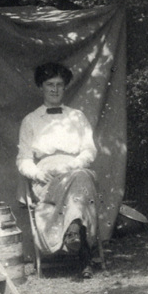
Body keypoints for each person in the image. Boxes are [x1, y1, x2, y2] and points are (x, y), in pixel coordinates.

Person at [17, 61, 105, 278]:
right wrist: (37, 173)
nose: (55, 89)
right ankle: (83, 255)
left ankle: (73, 231)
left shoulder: (77, 117)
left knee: (81, 177)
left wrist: (72, 165)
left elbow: (88, 150)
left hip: (74, 169)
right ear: (41, 87)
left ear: (65, 87)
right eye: (50, 84)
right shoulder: (30, 120)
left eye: (59, 84)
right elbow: (24, 159)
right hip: (47, 179)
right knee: (81, 182)